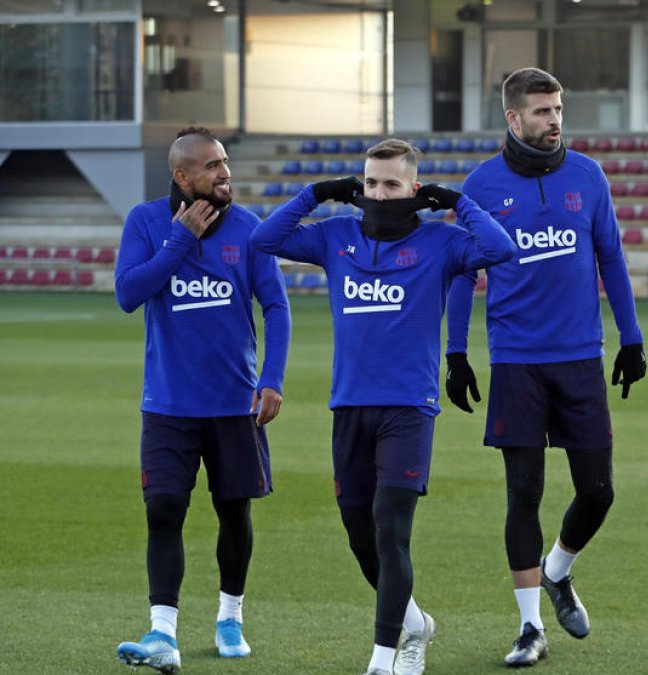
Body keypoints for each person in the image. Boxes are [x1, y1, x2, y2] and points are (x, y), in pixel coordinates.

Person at [250, 138, 516, 675]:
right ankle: (416, 621)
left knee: (390, 528)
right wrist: (317, 193)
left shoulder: (441, 243)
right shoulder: (335, 237)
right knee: (358, 533)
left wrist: (457, 201)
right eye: (370, 184)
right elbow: (263, 239)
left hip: (408, 410)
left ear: (413, 191)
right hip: (349, 406)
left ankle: (384, 656)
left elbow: (500, 248)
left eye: (391, 185)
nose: (378, 193)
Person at [443, 67, 647, 668]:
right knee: (523, 492)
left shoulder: (588, 175)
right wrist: (456, 353)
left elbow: (610, 256)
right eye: (541, 111)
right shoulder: (480, 184)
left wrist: (630, 340)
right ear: (513, 118)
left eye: (558, 109)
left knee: (599, 491)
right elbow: (461, 272)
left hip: (580, 357)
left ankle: (558, 571)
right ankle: (530, 627)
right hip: (516, 361)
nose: (554, 120)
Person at [114, 127, 291, 672]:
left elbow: (277, 308)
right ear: (181, 175)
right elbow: (128, 294)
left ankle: (230, 614)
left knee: (232, 511)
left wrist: (273, 378)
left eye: (225, 162)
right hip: (167, 405)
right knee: (163, 510)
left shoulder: (248, 227)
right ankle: (162, 631)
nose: (224, 173)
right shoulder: (146, 223)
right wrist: (180, 242)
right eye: (212, 166)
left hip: (234, 405)